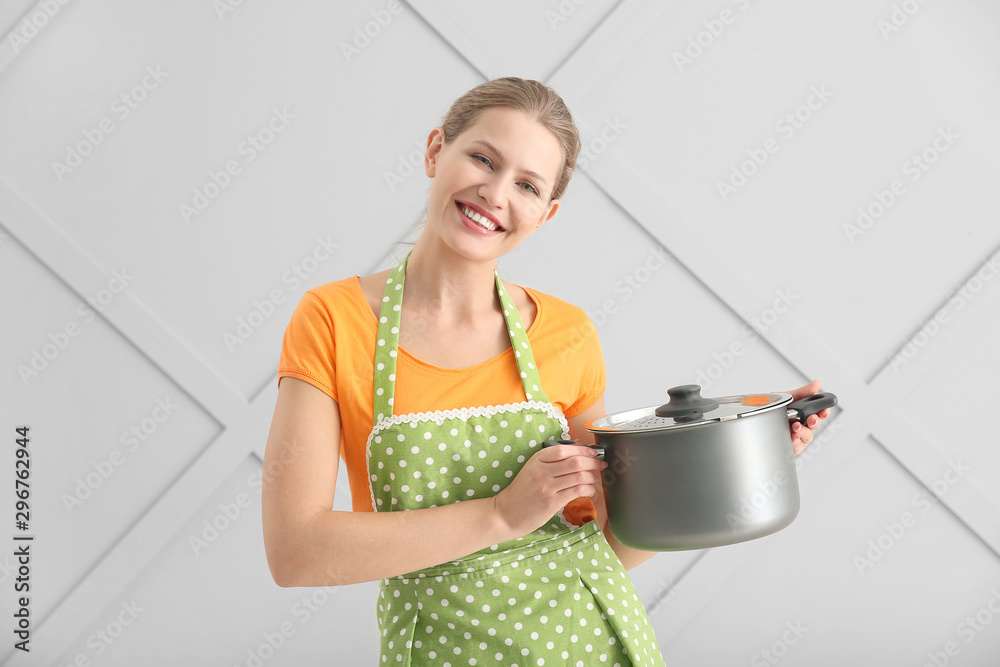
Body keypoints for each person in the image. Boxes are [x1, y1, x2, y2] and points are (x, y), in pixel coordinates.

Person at [261, 77, 830, 666]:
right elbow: (295, 552)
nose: (495, 193)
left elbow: (614, 543)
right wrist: (502, 515)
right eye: (483, 158)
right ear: (436, 151)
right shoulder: (334, 320)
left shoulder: (567, 334)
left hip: (593, 644)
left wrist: (742, 458)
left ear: (546, 214)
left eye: (527, 185)